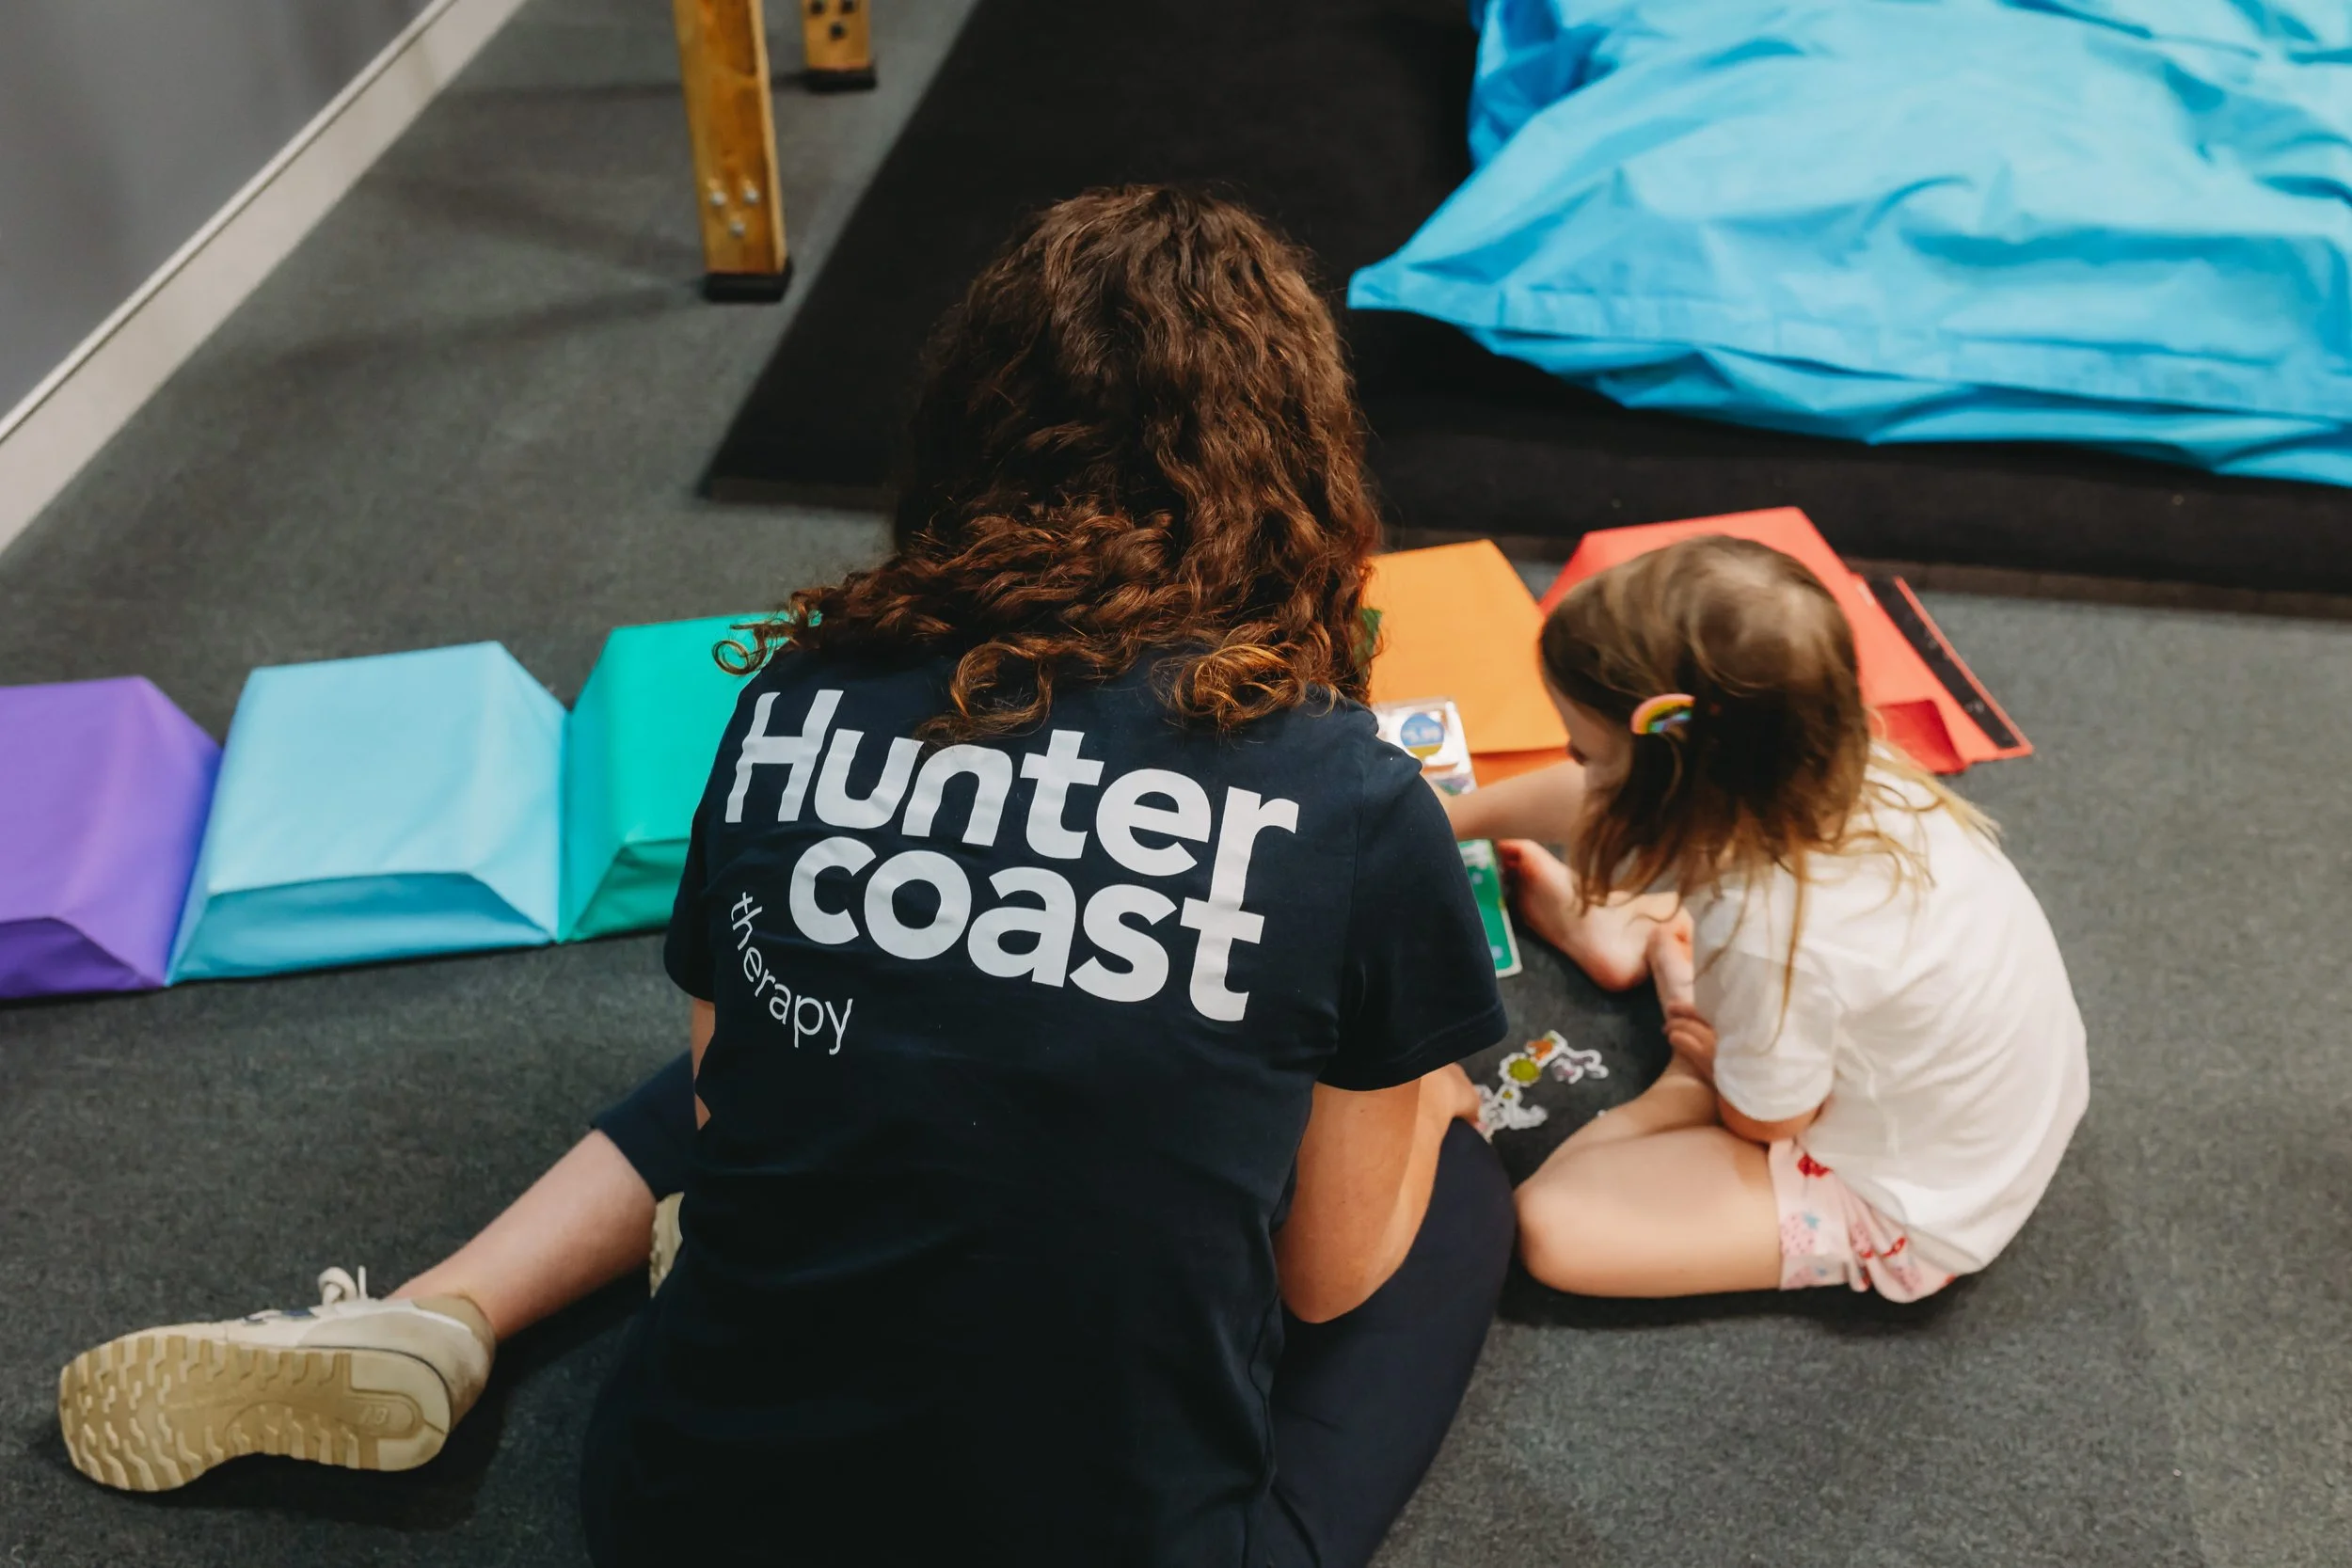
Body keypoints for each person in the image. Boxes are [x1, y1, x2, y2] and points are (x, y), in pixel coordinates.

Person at [56, 186, 1518, 1568]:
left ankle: (446, 1307)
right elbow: (1328, 1280)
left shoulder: (801, 692)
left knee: (833, 1010)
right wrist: (1413, 1096)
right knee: (1455, 1178)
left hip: (678, 1513)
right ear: (1302, 470)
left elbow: (713, 1096)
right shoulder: (1350, 797)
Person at [1445, 535, 2088, 1302]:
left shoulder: (1770, 932)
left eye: (1585, 753)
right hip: (1984, 1103)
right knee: (1695, 915)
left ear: (1670, 776)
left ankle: (1667, 1020)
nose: (1578, 770)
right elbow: (1608, 795)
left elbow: (1770, 1122)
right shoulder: (1821, 761)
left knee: (1553, 1222)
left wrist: (1701, 1065)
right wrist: (1451, 816)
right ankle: (1640, 943)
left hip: (1910, 1202)